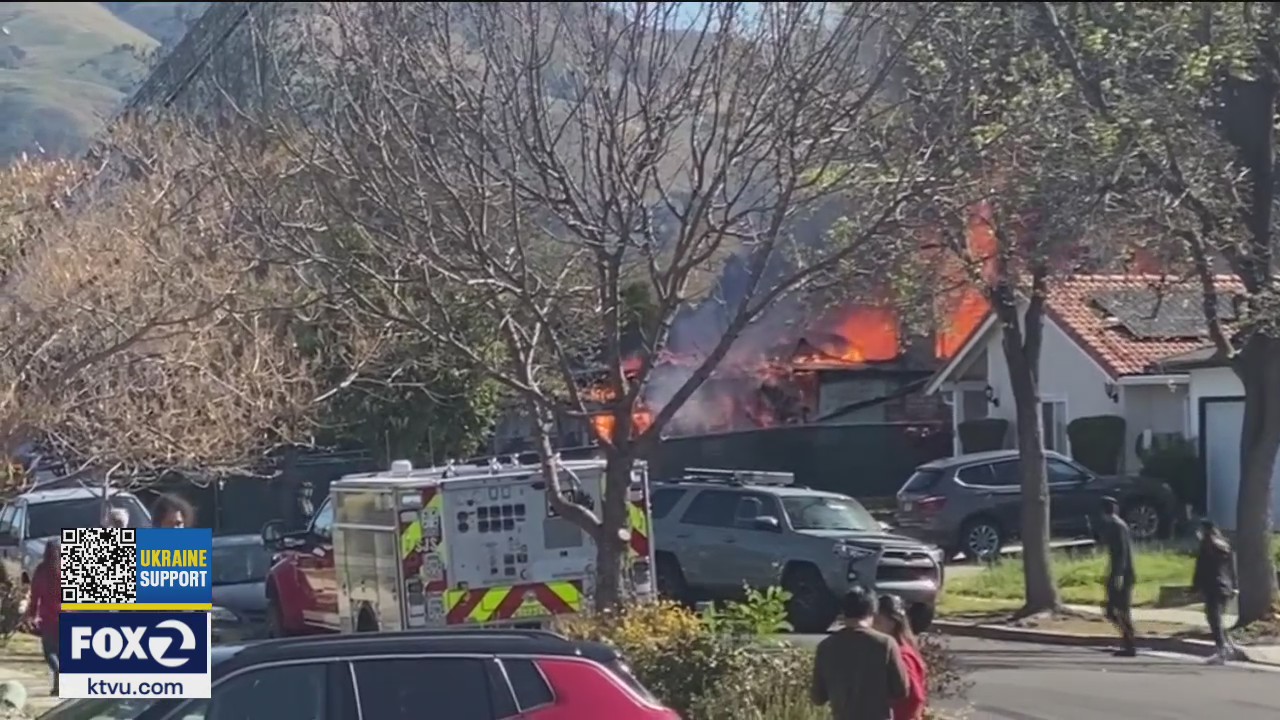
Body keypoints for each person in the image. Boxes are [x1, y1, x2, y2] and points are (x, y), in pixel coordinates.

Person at [811, 586, 909, 720]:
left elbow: (818, 698)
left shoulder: (825, 647)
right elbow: (901, 691)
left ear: (844, 612)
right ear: (872, 611)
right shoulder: (885, 644)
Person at [874, 595, 927, 720]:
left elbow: (915, 697)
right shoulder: (901, 650)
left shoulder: (901, 656)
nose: (872, 627)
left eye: (877, 622)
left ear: (892, 623)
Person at [1192, 519, 1238, 664]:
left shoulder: (1207, 544)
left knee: (1213, 618)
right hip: (1226, 587)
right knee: (1218, 618)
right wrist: (1234, 586)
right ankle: (1229, 646)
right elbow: (1232, 567)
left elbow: (1202, 568)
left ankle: (1222, 649)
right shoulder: (1225, 544)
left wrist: (1195, 586)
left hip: (1212, 586)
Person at [1098, 496, 1137, 656]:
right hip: (1118, 572)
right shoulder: (1118, 525)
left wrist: (1118, 575)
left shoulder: (1116, 526)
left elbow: (1121, 553)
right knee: (1113, 609)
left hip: (1122, 574)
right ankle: (1127, 640)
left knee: (1118, 609)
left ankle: (1130, 643)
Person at [24, 540, 61, 695]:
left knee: (49, 652)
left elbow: (35, 595)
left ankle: (57, 672)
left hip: (48, 617)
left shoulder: (41, 570)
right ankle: (59, 685)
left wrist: (31, 614)